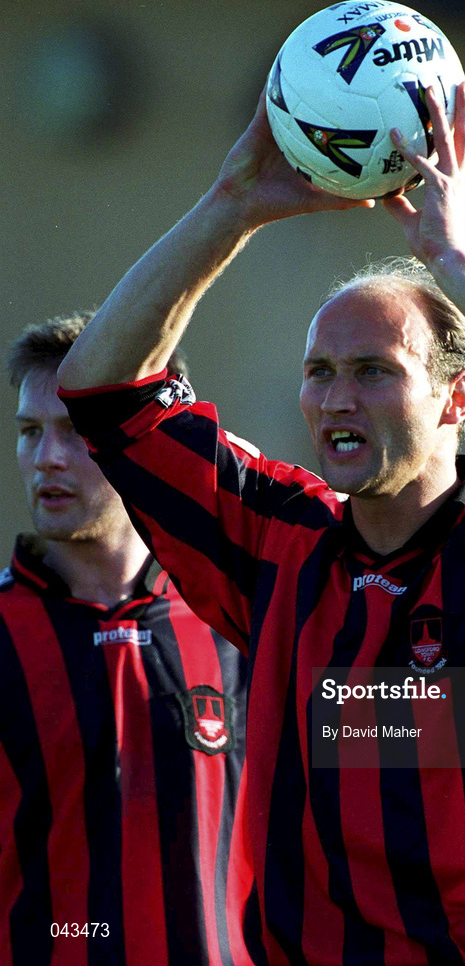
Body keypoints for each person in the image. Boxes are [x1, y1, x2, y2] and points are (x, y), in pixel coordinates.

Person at [57, 81, 465, 965]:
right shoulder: (277, 540)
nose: (336, 397)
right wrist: (228, 208)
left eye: (373, 370)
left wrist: (449, 259)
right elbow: (103, 389)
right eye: (319, 371)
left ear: (455, 396)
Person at [0, 313, 252, 966]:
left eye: (74, 430)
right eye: (30, 432)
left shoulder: (241, 621)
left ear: (144, 438)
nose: (46, 458)